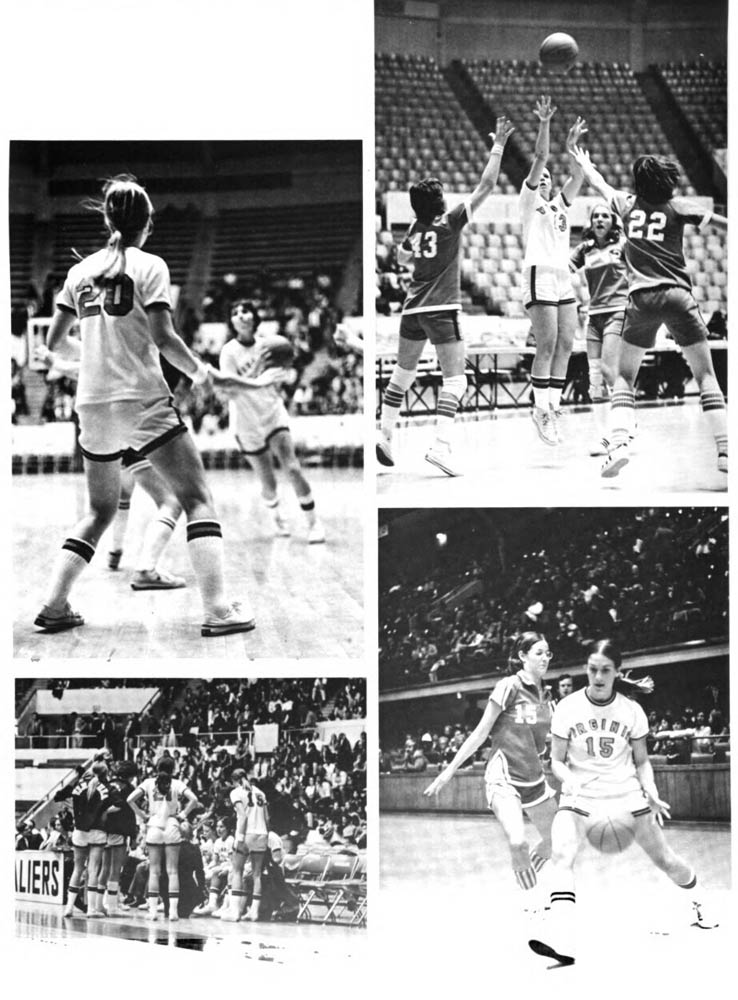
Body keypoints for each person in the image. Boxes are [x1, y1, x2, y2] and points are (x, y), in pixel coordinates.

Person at [33, 174, 255, 636]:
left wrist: (92, 359)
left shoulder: (80, 272)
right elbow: (164, 338)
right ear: (147, 222)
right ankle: (217, 610)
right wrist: (200, 372)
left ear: (107, 218)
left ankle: (54, 606)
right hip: (143, 399)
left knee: (98, 511)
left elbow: (55, 342)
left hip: (92, 405)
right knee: (197, 498)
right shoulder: (151, 266)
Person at [529, 639, 717, 966]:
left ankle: (700, 902)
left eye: (605, 670)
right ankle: (562, 937)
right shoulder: (568, 708)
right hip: (580, 794)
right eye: (592, 670)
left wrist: (652, 792)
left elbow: (642, 761)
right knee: (561, 853)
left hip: (624, 794)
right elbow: (556, 761)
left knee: (667, 860)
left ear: (616, 672)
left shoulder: (632, 711)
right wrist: (568, 778)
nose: (598, 676)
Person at [567, 146, 728, 477]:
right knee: (706, 376)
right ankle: (725, 451)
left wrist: (585, 163)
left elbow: (599, 184)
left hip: (640, 300)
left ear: (638, 183)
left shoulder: (626, 205)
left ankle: (620, 444)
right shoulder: (678, 206)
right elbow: (723, 224)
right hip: (678, 296)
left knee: (625, 377)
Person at [376, 115, 515, 477]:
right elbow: (486, 185)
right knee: (456, 380)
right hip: (442, 308)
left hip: (412, 309)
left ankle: (385, 434)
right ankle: (440, 447)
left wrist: (412, 255)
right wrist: (498, 145)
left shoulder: (415, 227)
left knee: (402, 375)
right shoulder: (449, 222)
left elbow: (403, 255)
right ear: (440, 201)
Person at [424, 632, 557, 902]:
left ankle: (525, 878)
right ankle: (530, 904)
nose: (545, 658)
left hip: (534, 779)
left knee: (558, 841)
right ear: (522, 656)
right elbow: (480, 732)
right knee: (518, 841)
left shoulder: (547, 695)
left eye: (548, 653)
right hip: (503, 777)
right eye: (539, 652)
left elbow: (551, 738)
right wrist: (449, 770)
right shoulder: (508, 686)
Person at [218, 300, 325, 542]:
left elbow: (285, 373)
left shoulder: (271, 344)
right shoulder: (229, 352)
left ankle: (314, 523)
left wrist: (285, 367)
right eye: (235, 313)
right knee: (268, 481)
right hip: (246, 422)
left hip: (272, 412)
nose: (241, 315)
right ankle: (278, 517)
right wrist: (257, 369)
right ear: (232, 322)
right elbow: (230, 388)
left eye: (245, 311)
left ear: (254, 317)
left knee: (293, 468)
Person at [520, 98, 588, 447]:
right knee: (545, 343)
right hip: (538, 273)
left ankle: (554, 408)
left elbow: (578, 176)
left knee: (566, 343)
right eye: (540, 177)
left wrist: (572, 146)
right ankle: (539, 409)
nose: (545, 178)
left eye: (548, 178)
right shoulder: (529, 202)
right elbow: (540, 158)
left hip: (562, 277)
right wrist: (545, 123)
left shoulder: (560, 205)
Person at [569, 203, 629, 454]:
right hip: (593, 316)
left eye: (605, 215)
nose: (600, 219)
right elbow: (563, 272)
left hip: (618, 311)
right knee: (595, 378)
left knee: (608, 370)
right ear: (590, 222)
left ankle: (624, 427)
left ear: (613, 221)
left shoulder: (624, 245)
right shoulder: (585, 249)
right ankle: (604, 438)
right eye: (596, 216)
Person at [127, 754, 199, 921]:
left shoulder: (148, 783)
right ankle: (173, 912)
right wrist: (182, 814)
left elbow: (130, 799)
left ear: (157, 767)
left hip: (154, 825)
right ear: (173, 769)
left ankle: (152, 912)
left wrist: (142, 815)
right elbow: (194, 800)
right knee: (172, 871)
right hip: (172, 824)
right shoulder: (177, 783)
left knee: (154, 871)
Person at [54, 760, 112, 918]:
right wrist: (104, 812)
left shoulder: (78, 786)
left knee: (77, 869)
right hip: (98, 831)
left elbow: (57, 797)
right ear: (105, 773)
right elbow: (119, 804)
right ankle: (92, 910)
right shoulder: (106, 787)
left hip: (79, 831)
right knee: (93, 870)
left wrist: (74, 809)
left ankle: (69, 908)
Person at [220, 767, 270, 922]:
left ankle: (235, 912)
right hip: (262, 833)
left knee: (237, 871)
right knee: (257, 875)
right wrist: (266, 836)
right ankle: (254, 912)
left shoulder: (236, 792)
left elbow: (242, 816)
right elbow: (267, 818)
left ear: (233, 781)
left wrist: (239, 838)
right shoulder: (261, 792)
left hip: (247, 833)